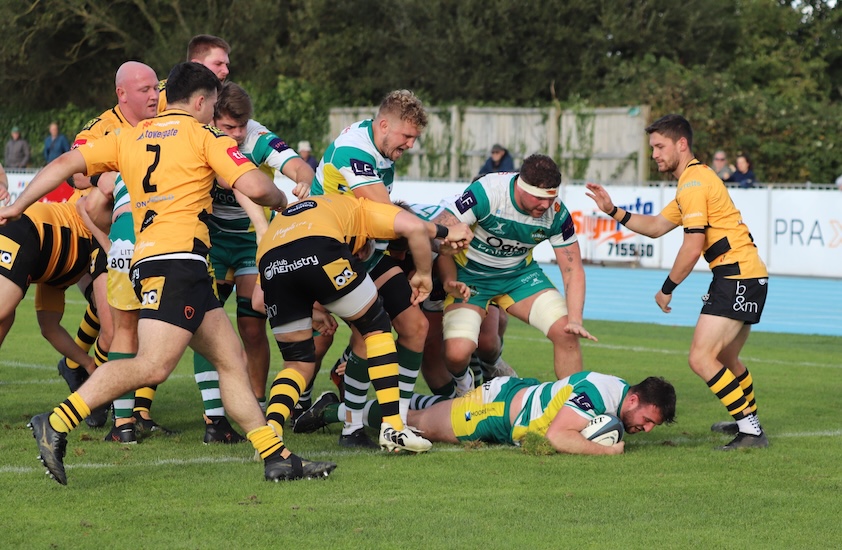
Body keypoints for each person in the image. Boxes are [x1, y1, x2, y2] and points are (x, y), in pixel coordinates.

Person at [1, 61, 335, 485]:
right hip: (178, 262)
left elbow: (67, 163)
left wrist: (18, 205)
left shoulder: (130, 135)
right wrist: (283, 201)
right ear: (200, 101)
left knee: (230, 359)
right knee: (153, 365)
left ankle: (277, 456)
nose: (214, 114)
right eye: (213, 105)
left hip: (158, 261)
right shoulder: (204, 137)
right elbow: (254, 186)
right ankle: (56, 421)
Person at [586, 113, 769, 451]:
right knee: (726, 357)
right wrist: (613, 210)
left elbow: (693, 244)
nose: (654, 153)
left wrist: (666, 288)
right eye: (652, 147)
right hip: (743, 273)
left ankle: (752, 432)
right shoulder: (693, 181)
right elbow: (656, 225)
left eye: (659, 146)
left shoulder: (693, 183)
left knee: (701, 358)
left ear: (681, 144)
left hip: (737, 274)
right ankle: (748, 421)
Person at [253, 193, 472, 453]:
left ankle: (271, 433)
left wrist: (314, 313)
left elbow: (258, 302)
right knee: (376, 327)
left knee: (298, 363)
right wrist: (442, 243)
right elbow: (414, 225)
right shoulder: (364, 209)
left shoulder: (290, 222)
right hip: (322, 251)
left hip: (271, 263)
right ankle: (393, 427)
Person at [191, 81, 315, 442]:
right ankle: (214, 418)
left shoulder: (257, 136)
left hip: (250, 241)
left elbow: (298, 167)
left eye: (241, 126)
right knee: (204, 325)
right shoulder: (199, 134)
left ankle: (257, 405)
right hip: (209, 238)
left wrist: (303, 181)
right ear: (213, 119)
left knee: (251, 324)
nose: (237, 134)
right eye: (229, 127)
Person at [311, 89, 433, 448]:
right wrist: (439, 230)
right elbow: (387, 212)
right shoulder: (354, 150)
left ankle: (400, 420)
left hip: (363, 253)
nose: (410, 145)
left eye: (414, 138)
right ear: (384, 125)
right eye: (407, 136)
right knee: (363, 333)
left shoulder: (381, 150)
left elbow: (376, 217)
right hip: (327, 255)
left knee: (415, 326)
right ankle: (349, 426)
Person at [434, 154, 597, 388]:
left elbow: (572, 269)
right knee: (457, 354)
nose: (545, 205)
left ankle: (572, 407)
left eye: (551, 198)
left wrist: (576, 319)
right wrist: (449, 239)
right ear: (521, 186)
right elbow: (441, 225)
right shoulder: (488, 192)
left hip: (518, 278)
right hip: (470, 279)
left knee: (566, 332)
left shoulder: (557, 212)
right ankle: (464, 385)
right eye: (539, 198)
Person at [298, 372, 676, 455]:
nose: (644, 429)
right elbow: (559, 436)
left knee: (426, 411)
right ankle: (335, 412)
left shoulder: (614, 392)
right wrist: (610, 450)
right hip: (493, 413)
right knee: (414, 426)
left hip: (509, 401)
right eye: (647, 420)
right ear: (633, 400)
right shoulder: (598, 394)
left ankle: (342, 408)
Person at [157, 34, 230, 112]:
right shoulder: (161, 96)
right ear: (196, 64)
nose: (226, 71)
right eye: (218, 64)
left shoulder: (226, 97)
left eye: (227, 65)